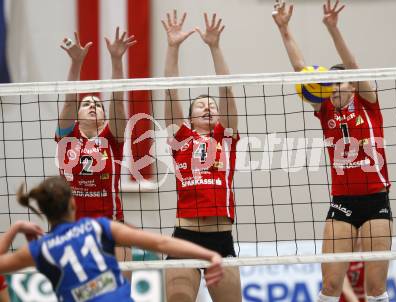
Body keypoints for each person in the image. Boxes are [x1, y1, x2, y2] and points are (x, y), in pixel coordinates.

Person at [272, 1, 392, 301]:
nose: (334, 88)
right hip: (342, 203)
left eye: (339, 82)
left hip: (376, 200)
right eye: (330, 84)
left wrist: (333, 28)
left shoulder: (367, 104)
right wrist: (285, 29)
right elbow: (301, 71)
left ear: (352, 87)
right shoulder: (325, 110)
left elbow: (352, 66)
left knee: (376, 288)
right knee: (330, 286)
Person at [0, 176, 224, 302]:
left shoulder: (41, 248)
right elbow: (160, 243)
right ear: (73, 204)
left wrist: (15, 229)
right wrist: (209, 254)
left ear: (45, 212)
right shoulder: (99, 227)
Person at [162, 10, 241, 302]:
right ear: (190, 118)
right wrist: (173, 47)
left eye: (212, 105)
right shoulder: (181, 139)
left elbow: (227, 90)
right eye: (200, 106)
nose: (208, 108)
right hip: (185, 235)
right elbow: (169, 91)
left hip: (221, 236)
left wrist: (214, 47)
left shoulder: (226, 137)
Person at [56, 28, 135, 270]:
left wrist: (116, 60)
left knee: (119, 295)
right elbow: (69, 100)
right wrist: (76, 62)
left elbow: (118, 103)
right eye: (87, 104)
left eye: (98, 105)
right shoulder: (67, 136)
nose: (92, 106)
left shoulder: (113, 138)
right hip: (71, 230)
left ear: (104, 116)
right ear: (77, 116)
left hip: (111, 227)